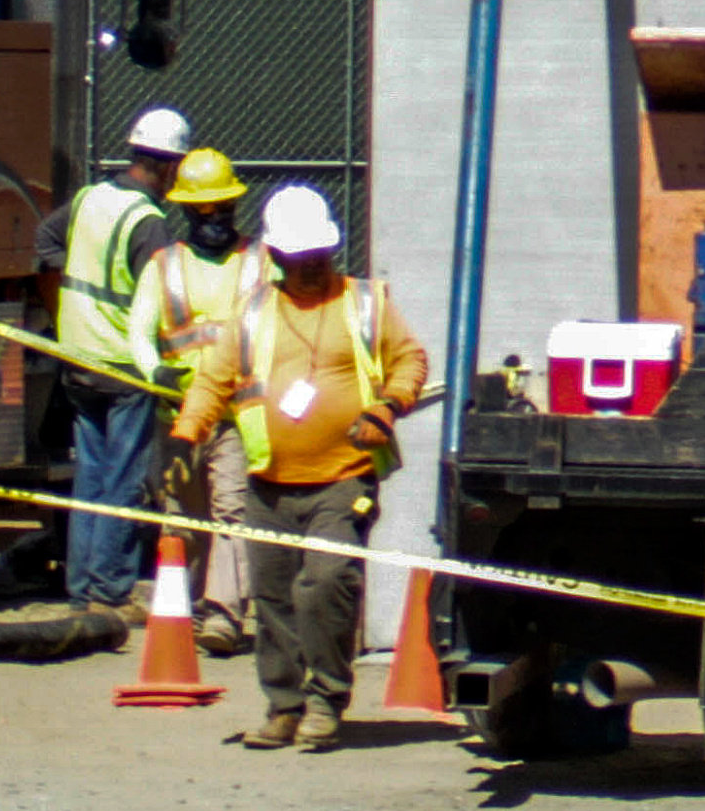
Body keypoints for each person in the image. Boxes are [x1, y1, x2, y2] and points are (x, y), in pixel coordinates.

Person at [172, 182, 432, 751]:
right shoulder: (252, 313)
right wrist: (184, 435)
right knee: (274, 599)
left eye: (320, 258)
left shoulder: (365, 303)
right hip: (268, 482)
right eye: (300, 260)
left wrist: (387, 407)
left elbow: (409, 358)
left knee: (327, 584)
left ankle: (325, 701)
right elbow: (214, 380)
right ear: (277, 259)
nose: (312, 269)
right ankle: (283, 705)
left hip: (344, 477)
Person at [41, 106, 192, 609]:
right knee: (122, 481)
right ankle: (109, 589)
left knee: (90, 474)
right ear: (169, 165)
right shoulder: (149, 223)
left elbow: (44, 241)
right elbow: (165, 305)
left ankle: (81, 587)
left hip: (78, 357)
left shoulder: (90, 197)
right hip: (124, 364)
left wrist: (61, 306)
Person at [126, 146, 261, 653]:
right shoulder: (164, 267)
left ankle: (224, 616)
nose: (213, 220)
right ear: (185, 211)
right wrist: (155, 369)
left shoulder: (258, 264)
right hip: (177, 416)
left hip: (234, 417)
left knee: (232, 513)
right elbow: (139, 330)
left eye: (221, 210)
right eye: (202, 211)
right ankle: (182, 610)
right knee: (182, 515)